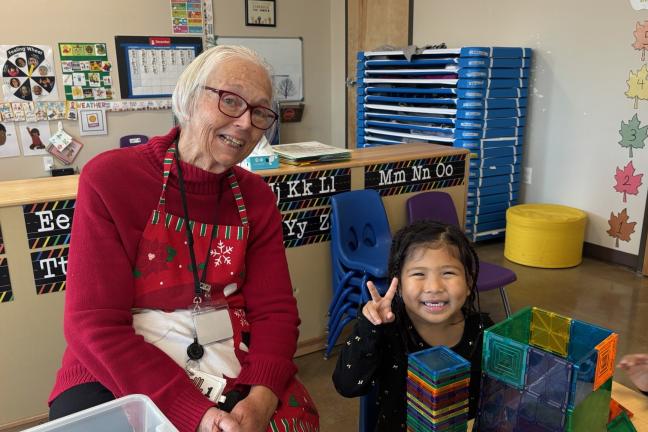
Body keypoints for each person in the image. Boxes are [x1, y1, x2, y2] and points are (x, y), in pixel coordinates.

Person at [48, 45, 319, 432]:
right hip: (117, 361)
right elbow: (92, 322)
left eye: (259, 112)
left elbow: (275, 311)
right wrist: (195, 413)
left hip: (226, 348)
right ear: (189, 98)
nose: (244, 123)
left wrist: (261, 397)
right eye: (229, 100)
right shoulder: (111, 179)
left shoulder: (255, 197)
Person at [332, 220, 493, 431]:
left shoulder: (483, 330)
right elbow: (347, 385)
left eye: (448, 273)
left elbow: (496, 397)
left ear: (469, 283)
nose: (434, 287)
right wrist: (370, 327)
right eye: (418, 274)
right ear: (397, 285)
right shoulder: (388, 331)